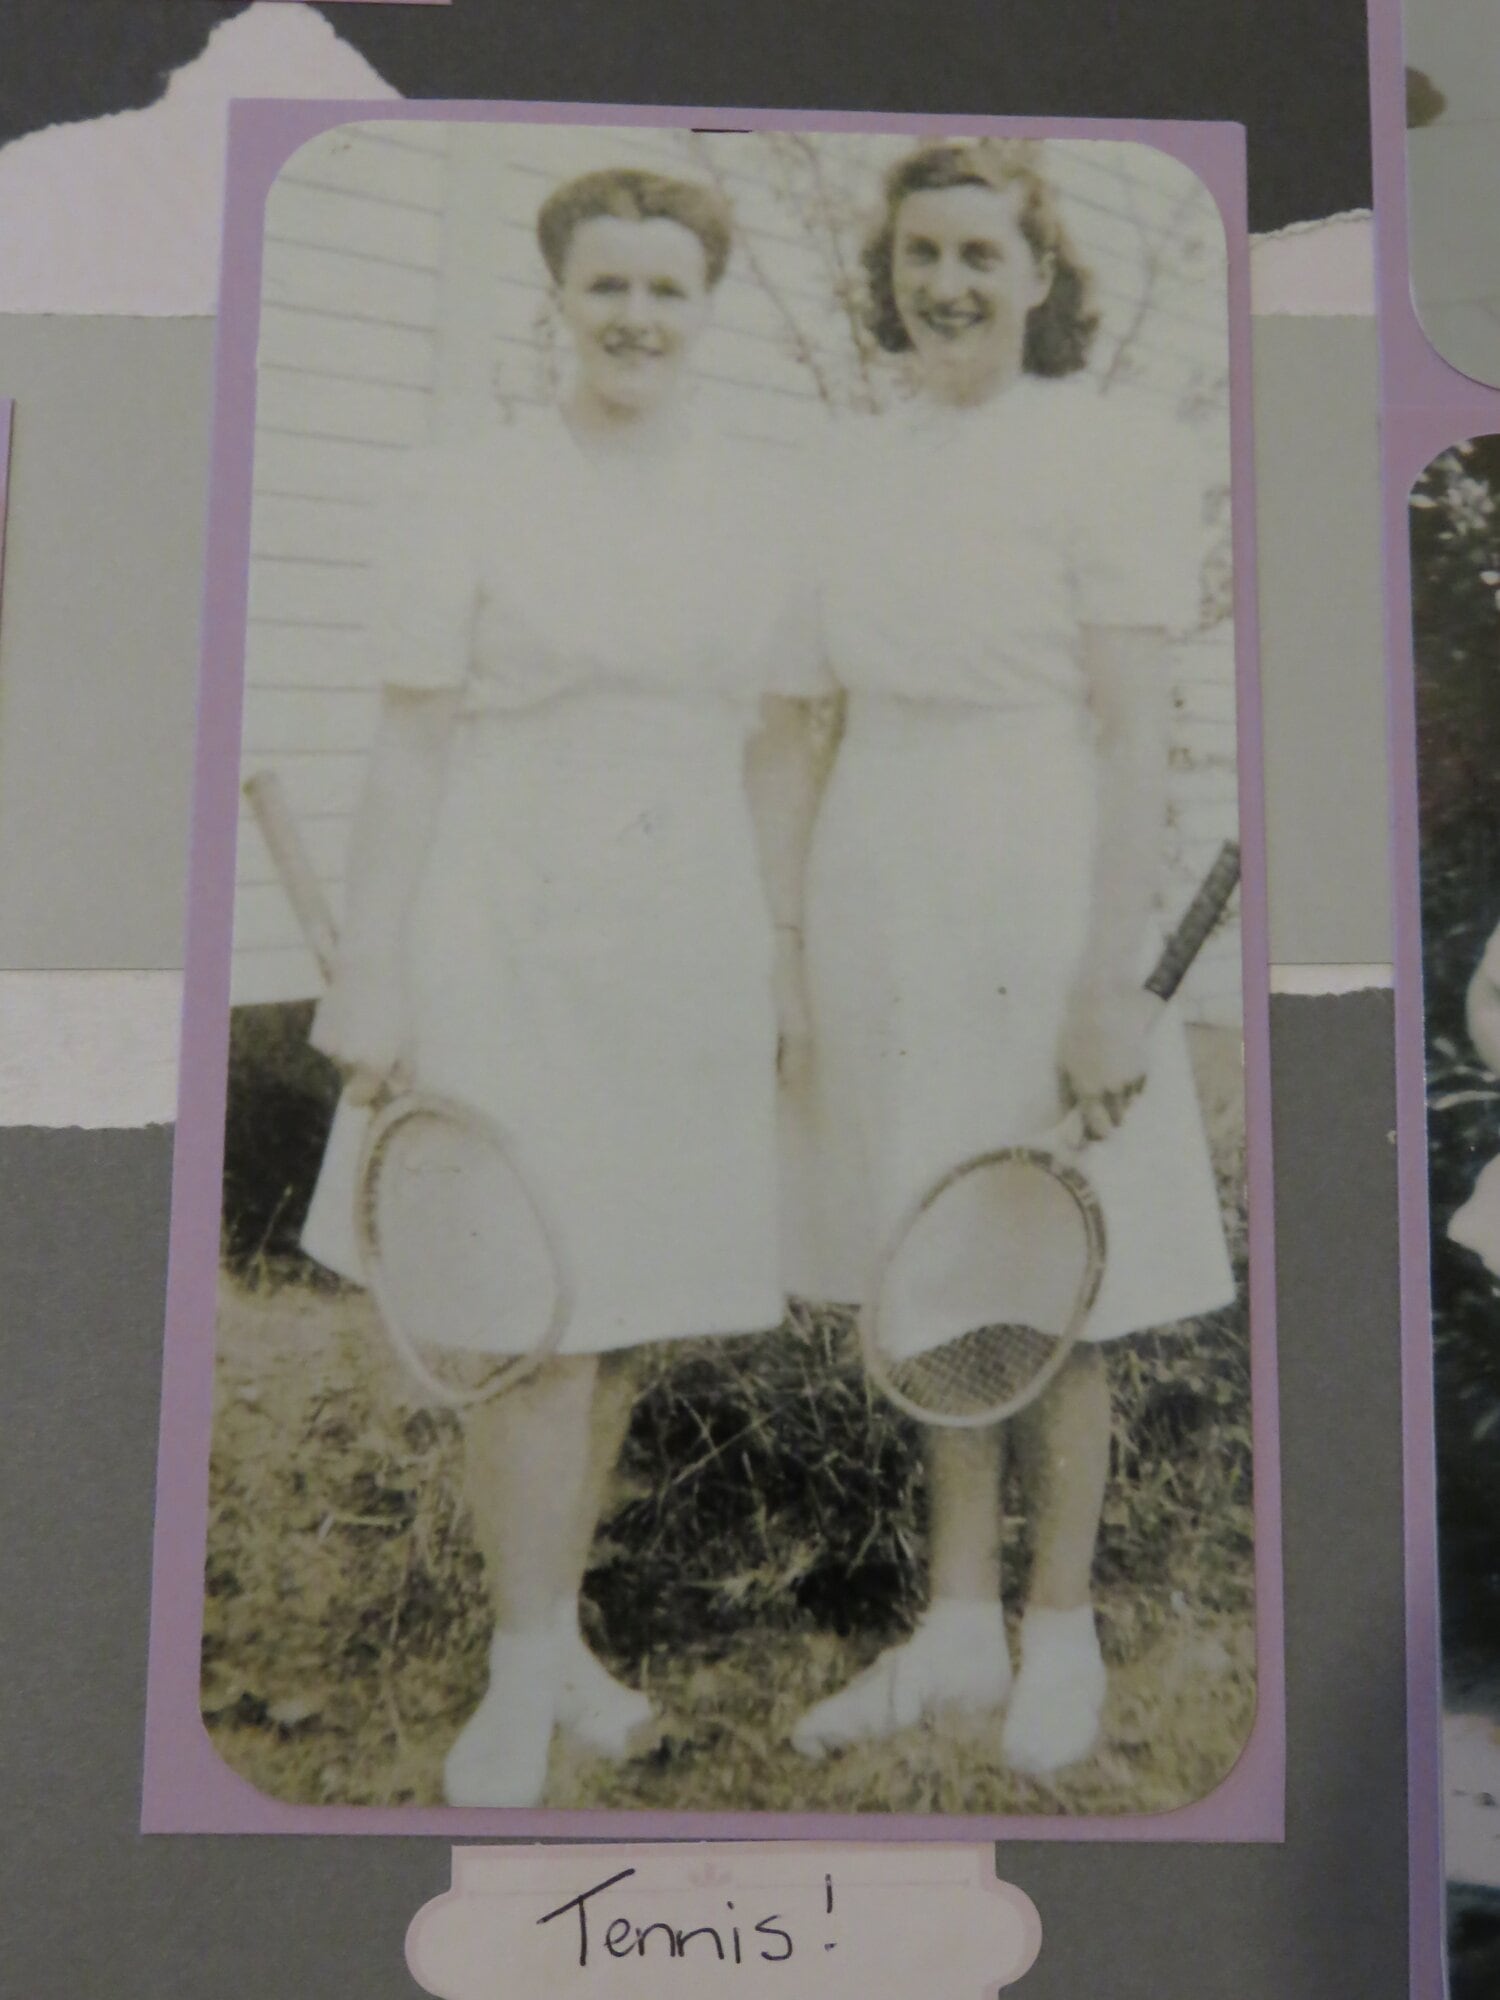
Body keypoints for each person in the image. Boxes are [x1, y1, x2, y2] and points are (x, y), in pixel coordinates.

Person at [302, 166, 814, 1807]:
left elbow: (791, 739)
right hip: (501, 920)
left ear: (707, 309)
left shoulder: (754, 498)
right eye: (608, 287)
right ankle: (522, 1678)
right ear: (558, 299)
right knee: (526, 1317)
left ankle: (559, 1643)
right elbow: (410, 739)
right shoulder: (468, 487)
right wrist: (373, 963)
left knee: (631, 1305)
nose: (638, 318)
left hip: (685, 935)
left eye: (669, 290)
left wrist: (785, 951)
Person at [789, 139, 1235, 1777]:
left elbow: (1133, 737)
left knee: (1062, 1266)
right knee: (931, 1256)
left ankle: (1061, 1633)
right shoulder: (848, 461)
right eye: (921, 255)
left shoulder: (1109, 450)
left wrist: (1107, 978)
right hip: (879, 876)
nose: (948, 284)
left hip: (1043, 865)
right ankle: (955, 1625)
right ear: (889, 274)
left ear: (1041, 275)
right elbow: (807, 708)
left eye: (982, 253)